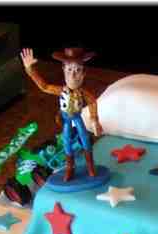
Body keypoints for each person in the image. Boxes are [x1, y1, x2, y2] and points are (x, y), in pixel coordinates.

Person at [20, 47, 103, 182]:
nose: (73, 75)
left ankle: (90, 166)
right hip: (66, 119)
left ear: (83, 73)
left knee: (85, 138)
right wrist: (30, 69)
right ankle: (70, 167)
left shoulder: (83, 93)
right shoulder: (60, 90)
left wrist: (94, 120)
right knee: (66, 140)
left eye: (77, 70)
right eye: (69, 70)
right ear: (63, 70)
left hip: (77, 118)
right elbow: (44, 86)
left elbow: (92, 102)